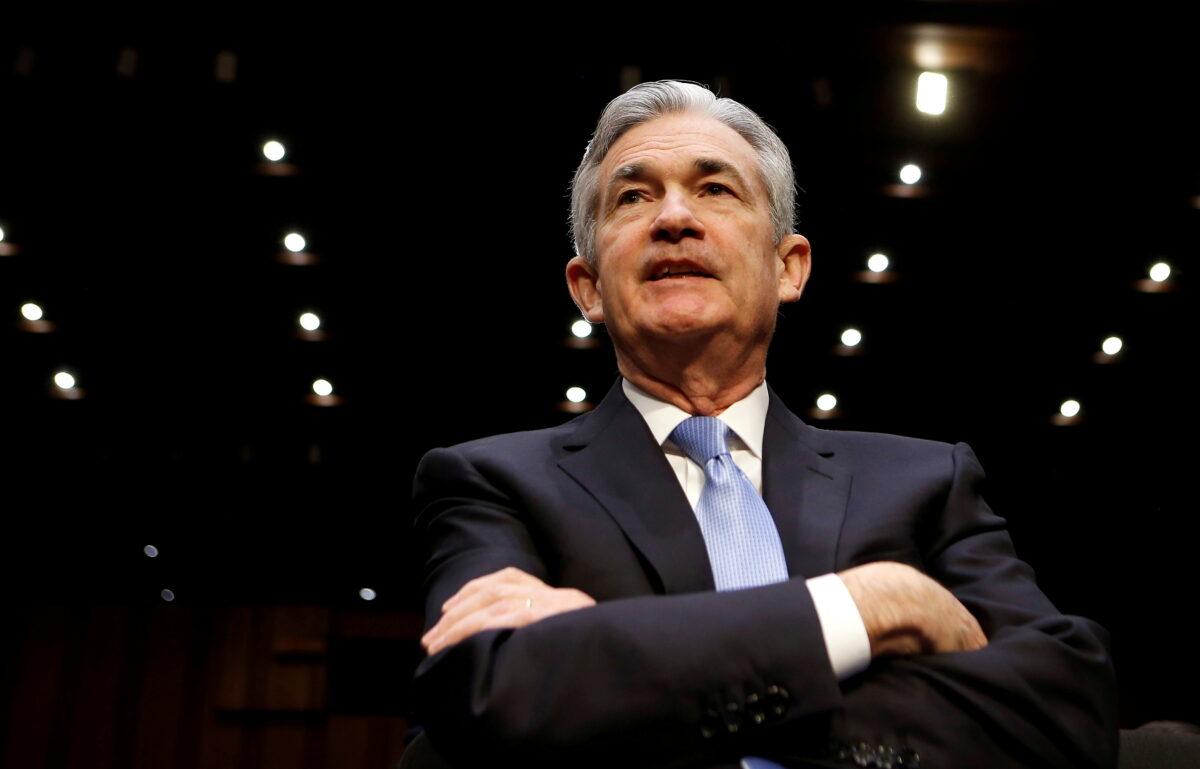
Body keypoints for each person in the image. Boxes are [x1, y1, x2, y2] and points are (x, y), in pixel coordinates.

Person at [411, 80, 1117, 768]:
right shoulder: (493, 481)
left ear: (789, 268)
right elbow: (487, 698)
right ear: (588, 287)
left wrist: (607, 661)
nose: (673, 218)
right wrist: (864, 607)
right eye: (633, 196)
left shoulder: (928, 480)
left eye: (715, 189)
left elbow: (1066, 709)